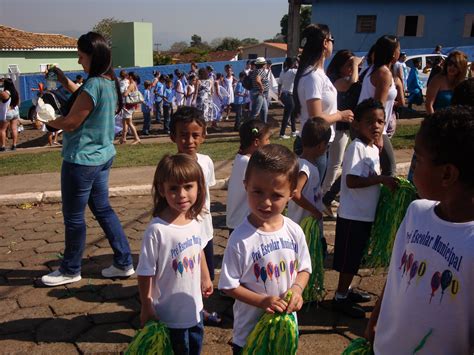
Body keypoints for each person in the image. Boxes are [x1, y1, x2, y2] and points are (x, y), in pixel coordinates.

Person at [366, 106, 474, 354]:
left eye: (417, 159)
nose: (412, 167)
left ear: (447, 174)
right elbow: (397, 274)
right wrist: (377, 316)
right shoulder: (416, 212)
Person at [41, 32, 134, 286]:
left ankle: (70, 268)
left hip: (81, 160)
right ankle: (124, 262)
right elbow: (82, 96)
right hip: (102, 157)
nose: (79, 61)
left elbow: (71, 122)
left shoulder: (93, 85)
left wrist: (48, 122)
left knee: (73, 216)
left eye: (81, 56)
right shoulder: (108, 82)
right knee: (104, 210)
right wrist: (62, 79)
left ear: (93, 55)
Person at [219, 144, 311, 354]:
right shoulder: (240, 239)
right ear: (245, 185)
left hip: (284, 330)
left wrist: (297, 290)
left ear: (292, 193)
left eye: (276, 195)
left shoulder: (294, 231)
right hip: (249, 336)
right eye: (258, 192)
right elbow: (228, 285)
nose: (266, 202)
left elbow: (304, 268)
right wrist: (263, 301)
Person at [136, 154, 213, 355]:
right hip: (169, 315)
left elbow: (199, 249)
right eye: (173, 188)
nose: (181, 195)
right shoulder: (157, 230)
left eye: (188, 186)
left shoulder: (195, 221)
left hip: (195, 309)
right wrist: (146, 305)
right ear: (162, 190)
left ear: (199, 187)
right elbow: (145, 272)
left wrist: (205, 277)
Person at [333, 99, 398, 318]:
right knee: (349, 259)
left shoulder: (371, 147)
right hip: (353, 215)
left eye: (380, 121)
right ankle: (340, 297)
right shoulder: (357, 148)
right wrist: (381, 179)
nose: (376, 126)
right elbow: (351, 180)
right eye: (370, 121)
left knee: (357, 256)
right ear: (356, 124)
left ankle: (347, 289)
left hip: (364, 214)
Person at [169, 106, 221, 326]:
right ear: (173, 136)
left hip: (205, 232)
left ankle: (201, 310)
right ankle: (185, 312)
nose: (189, 140)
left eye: (195, 135)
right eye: (183, 135)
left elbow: (207, 192)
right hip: (183, 236)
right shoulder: (171, 167)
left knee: (205, 275)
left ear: (203, 136)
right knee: (185, 276)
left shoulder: (206, 161)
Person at [293, 24, 354, 180]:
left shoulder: (317, 74)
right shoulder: (313, 76)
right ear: (325, 43)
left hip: (318, 144)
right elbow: (317, 118)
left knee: (311, 194)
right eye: (332, 39)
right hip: (314, 145)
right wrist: (340, 115)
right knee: (309, 196)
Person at [321, 50, 362, 216]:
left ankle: (325, 193)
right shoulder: (337, 80)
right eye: (348, 66)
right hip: (338, 126)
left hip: (343, 126)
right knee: (335, 163)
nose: (351, 69)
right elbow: (353, 81)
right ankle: (324, 195)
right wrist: (355, 63)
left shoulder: (336, 79)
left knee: (334, 162)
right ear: (339, 66)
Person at [357, 35, 400, 177]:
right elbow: (378, 106)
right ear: (393, 53)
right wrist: (378, 136)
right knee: (390, 168)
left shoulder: (374, 68)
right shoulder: (384, 73)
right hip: (372, 125)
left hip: (365, 124)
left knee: (362, 163)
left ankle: (330, 194)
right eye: (399, 49)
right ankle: (386, 198)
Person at [226, 120, 271, 233]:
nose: (269, 142)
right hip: (242, 221)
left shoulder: (240, 157)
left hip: (237, 218)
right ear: (256, 142)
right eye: (267, 139)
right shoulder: (248, 163)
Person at [288, 117, 331, 225]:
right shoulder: (305, 167)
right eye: (327, 145)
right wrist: (314, 211)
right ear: (321, 145)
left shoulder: (309, 165)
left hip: (309, 224)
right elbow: (295, 193)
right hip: (303, 226)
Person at [425, 50, 468, 114]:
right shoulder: (437, 80)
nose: (452, 67)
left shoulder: (462, 83)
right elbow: (428, 105)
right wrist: (434, 121)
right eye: (450, 63)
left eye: (456, 65)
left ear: (461, 67)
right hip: (439, 120)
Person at [277, 57, 298, 139]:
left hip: (284, 95)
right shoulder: (293, 71)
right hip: (289, 95)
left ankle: (293, 131)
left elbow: (279, 84)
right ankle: (282, 134)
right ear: (293, 63)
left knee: (292, 114)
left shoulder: (283, 72)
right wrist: (298, 64)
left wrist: (279, 94)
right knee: (287, 115)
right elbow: (302, 71)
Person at [121, 71, 141, 145]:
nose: (127, 77)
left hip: (128, 106)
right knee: (124, 122)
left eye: (128, 76)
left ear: (131, 77)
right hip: (130, 106)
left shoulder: (131, 85)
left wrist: (121, 92)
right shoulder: (134, 84)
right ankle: (123, 138)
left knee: (129, 123)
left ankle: (136, 138)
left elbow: (125, 94)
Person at [0, 78, 20, 151]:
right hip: (15, 111)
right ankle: (14, 145)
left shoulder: (5, 93)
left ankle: (2, 146)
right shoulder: (15, 92)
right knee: (14, 128)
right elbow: (18, 102)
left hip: (7, 112)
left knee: (2, 130)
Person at [249, 57, 270, 123]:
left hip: (259, 94)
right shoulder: (260, 71)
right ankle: (250, 127)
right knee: (255, 112)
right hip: (259, 93)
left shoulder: (256, 71)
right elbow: (258, 80)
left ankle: (264, 125)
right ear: (263, 64)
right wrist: (261, 88)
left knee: (264, 110)